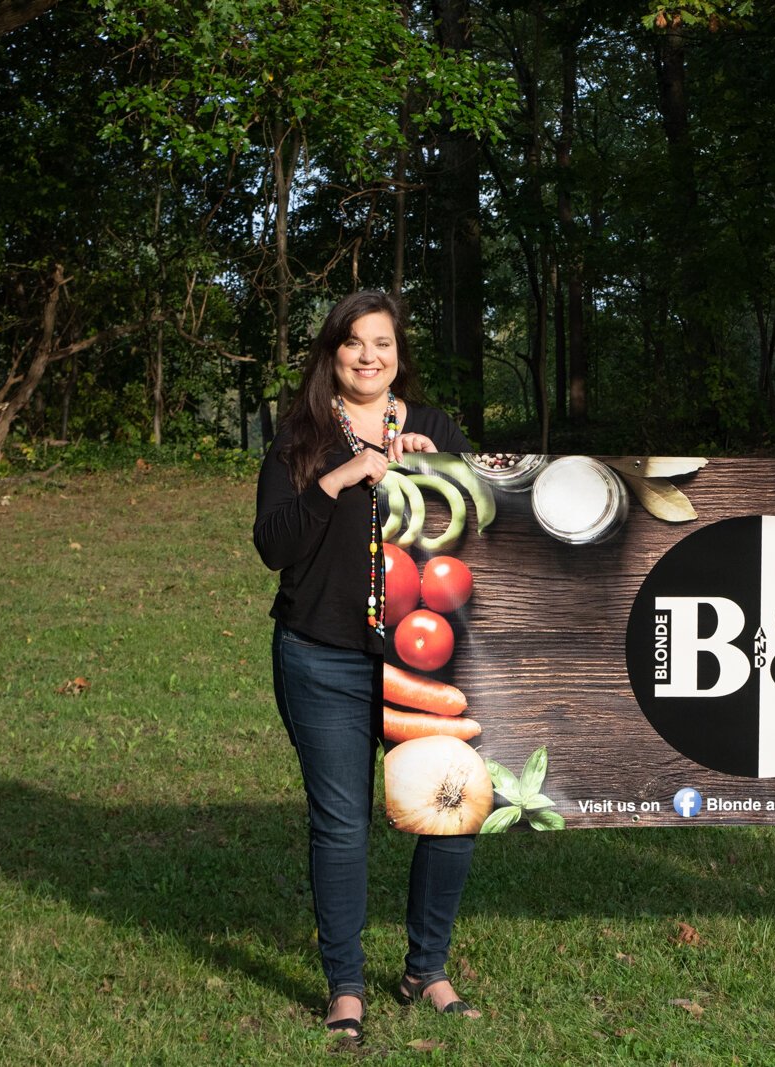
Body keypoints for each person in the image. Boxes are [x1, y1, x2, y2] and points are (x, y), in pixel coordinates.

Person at [254, 291, 481, 1042]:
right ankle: (346, 987)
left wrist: (439, 473)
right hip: (322, 657)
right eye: (353, 342)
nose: (368, 356)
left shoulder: (434, 429)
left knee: (452, 811)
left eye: (381, 342)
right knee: (342, 825)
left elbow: (487, 529)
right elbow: (273, 546)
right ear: (333, 353)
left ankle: (427, 967)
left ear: (398, 354)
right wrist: (339, 477)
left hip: (426, 663)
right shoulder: (301, 438)